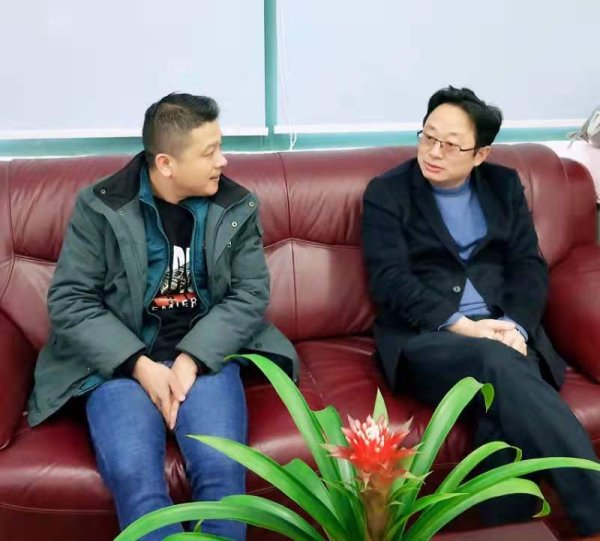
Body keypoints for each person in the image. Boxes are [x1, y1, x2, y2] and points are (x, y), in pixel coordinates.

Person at [28, 93, 298, 541]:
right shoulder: (100, 207)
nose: (223, 161)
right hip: (118, 366)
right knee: (134, 478)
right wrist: (139, 365)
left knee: (222, 472)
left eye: (220, 147)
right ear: (166, 163)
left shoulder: (236, 207)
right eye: (209, 152)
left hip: (207, 356)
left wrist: (192, 358)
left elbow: (250, 294)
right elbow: (71, 300)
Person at [362, 86, 600, 539]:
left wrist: (515, 326)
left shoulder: (504, 186)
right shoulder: (387, 192)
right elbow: (389, 280)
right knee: (495, 361)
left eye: (451, 145)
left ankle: (513, 532)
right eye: (428, 136)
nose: (434, 152)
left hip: (505, 333)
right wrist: (468, 329)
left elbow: (528, 265)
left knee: (495, 415)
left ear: (480, 154)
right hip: (428, 339)